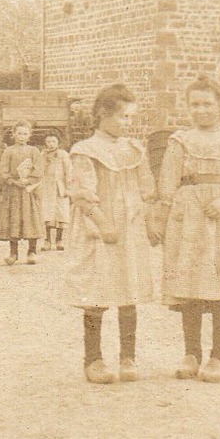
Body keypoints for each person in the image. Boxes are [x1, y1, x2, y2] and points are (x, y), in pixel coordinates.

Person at [158, 76, 220, 383]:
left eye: (207, 104)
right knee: (190, 285)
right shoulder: (180, 141)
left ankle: (218, 356)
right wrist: (165, 216)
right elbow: (167, 183)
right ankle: (191, 353)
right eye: (195, 104)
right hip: (189, 220)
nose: (201, 110)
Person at [67, 83, 157, 385]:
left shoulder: (133, 150)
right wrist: (103, 223)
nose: (127, 123)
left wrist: (151, 220)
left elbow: (146, 190)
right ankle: (93, 358)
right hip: (101, 227)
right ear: (102, 114)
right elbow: (82, 194)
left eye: (131, 117)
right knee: (98, 290)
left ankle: (127, 355)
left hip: (129, 227)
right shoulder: (86, 151)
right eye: (122, 117)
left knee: (127, 287)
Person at [0, 121, 43, 265]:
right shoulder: (8, 151)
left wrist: (29, 180)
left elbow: (39, 169)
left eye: (25, 134)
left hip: (29, 191)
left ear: (29, 135)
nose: (22, 136)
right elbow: (3, 169)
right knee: (14, 219)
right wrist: (13, 181)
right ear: (14, 134)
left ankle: (32, 251)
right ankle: (13, 253)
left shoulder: (34, 151)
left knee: (31, 218)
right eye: (19, 133)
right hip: (14, 191)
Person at [38, 133, 71, 252]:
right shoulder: (42, 155)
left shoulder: (63, 155)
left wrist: (68, 187)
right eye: (49, 142)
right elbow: (39, 170)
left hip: (60, 186)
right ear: (45, 143)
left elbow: (68, 171)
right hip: (47, 186)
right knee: (47, 212)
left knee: (60, 212)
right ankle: (47, 240)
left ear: (58, 143)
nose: (51, 144)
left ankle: (59, 239)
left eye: (53, 142)